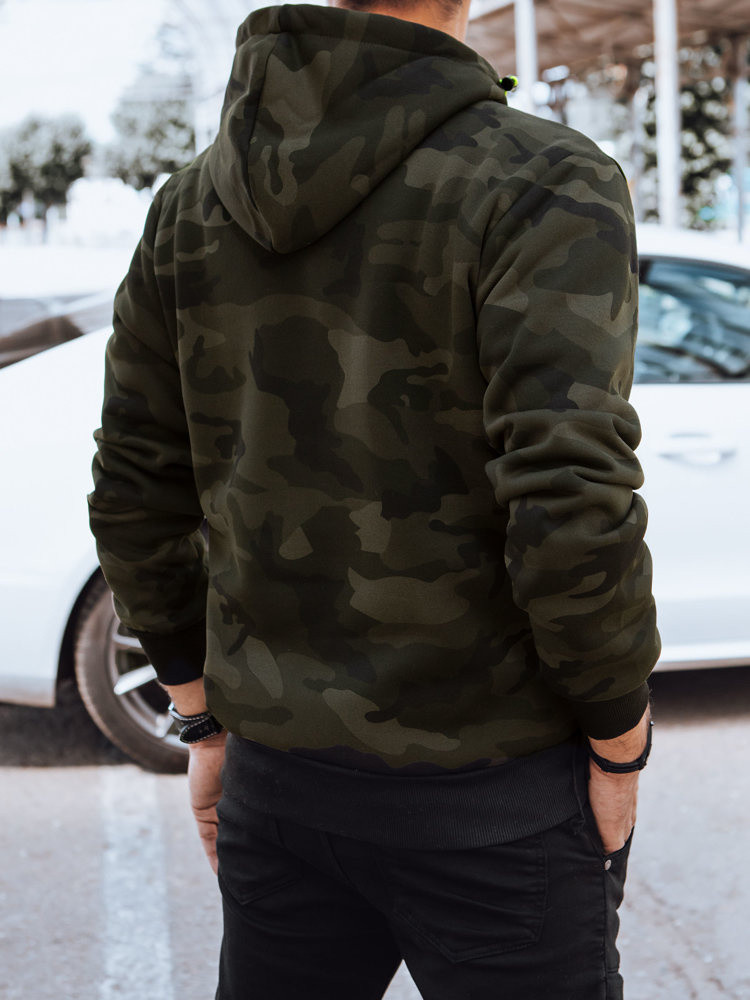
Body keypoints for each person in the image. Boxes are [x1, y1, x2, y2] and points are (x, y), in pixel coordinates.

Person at [88, 0, 659, 996]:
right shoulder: (542, 179)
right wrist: (619, 739)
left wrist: (200, 717)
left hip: (279, 784)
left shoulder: (187, 206)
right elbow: (569, 496)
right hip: (495, 803)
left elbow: (135, 485)